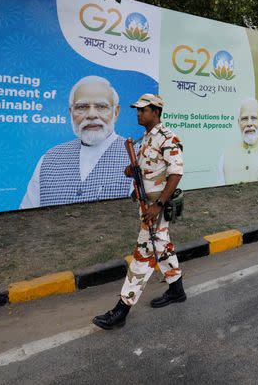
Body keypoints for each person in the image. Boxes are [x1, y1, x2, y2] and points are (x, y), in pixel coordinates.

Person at [93, 94, 185, 330]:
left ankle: (121, 310)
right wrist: (131, 171)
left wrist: (159, 205)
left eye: (143, 110)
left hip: (158, 207)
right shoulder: (144, 139)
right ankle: (177, 290)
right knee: (162, 246)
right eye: (137, 110)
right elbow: (147, 169)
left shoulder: (167, 138)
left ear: (156, 112)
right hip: (147, 205)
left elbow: (175, 174)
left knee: (144, 254)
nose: (138, 114)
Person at [20, 75, 131, 209]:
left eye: (101, 106)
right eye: (82, 107)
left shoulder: (139, 156)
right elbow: (27, 216)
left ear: (116, 112)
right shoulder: (48, 160)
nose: (91, 115)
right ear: (71, 112)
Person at [216, 97, 258, 185]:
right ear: (238, 122)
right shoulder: (226, 155)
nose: (249, 123)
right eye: (244, 119)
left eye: (254, 118)